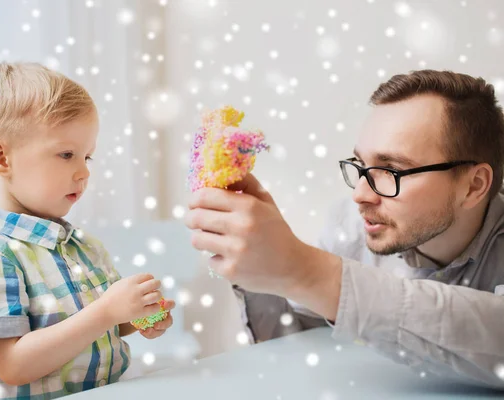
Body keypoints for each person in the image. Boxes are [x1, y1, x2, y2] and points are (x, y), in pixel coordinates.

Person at [185, 70, 504, 389]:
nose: (360, 195)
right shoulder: (352, 227)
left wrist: (309, 271)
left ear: (474, 186)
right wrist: (260, 273)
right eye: (361, 165)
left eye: (391, 170)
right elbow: (297, 343)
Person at [0, 62, 174, 399]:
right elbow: (12, 365)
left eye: (87, 157)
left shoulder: (84, 246)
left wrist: (134, 318)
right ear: (1, 159)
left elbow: (96, 329)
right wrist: (106, 311)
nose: (83, 172)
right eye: (67, 154)